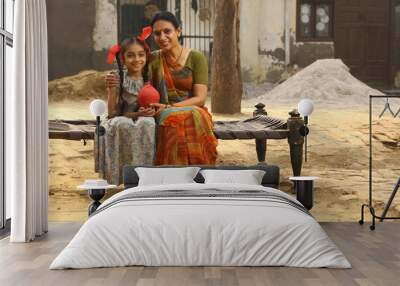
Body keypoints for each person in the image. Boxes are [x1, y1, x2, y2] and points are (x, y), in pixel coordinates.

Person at [148, 11, 218, 165]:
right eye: (157, 33)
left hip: (191, 108)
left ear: (178, 31)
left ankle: (197, 170)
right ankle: (173, 173)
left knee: (183, 115)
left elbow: (200, 98)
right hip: (161, 111)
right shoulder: (152, 59)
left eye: (167, 31)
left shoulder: (196, 57)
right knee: (171, 118)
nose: (162, 37)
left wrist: (170, 107)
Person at [98, 35, 157, 185]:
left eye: (141, 54)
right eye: (130, 55)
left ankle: (145, 177)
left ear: (146, 56)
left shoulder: (151, 77)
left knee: (148, 124)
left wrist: (150, 112)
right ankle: (121, 176)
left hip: (144, 118)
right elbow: (112, 114)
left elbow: (157, 104)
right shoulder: (118, 77)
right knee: (121, 124)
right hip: (122, 116)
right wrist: (111, 90)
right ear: (123, 59)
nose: (137, 59)